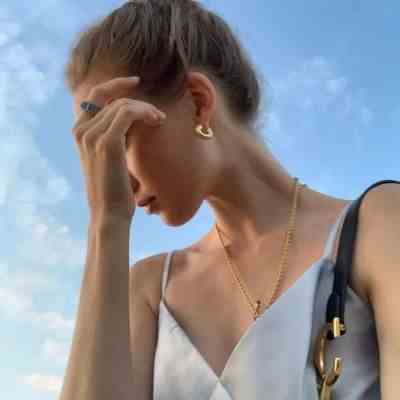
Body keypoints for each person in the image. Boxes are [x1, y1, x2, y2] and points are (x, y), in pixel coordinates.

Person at [61, 1, 385, 399]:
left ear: (198, 102)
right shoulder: (148, 290)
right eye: (95, 152)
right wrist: (106, 223)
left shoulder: (379, 228)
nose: (110, 176)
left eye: (117, 139)